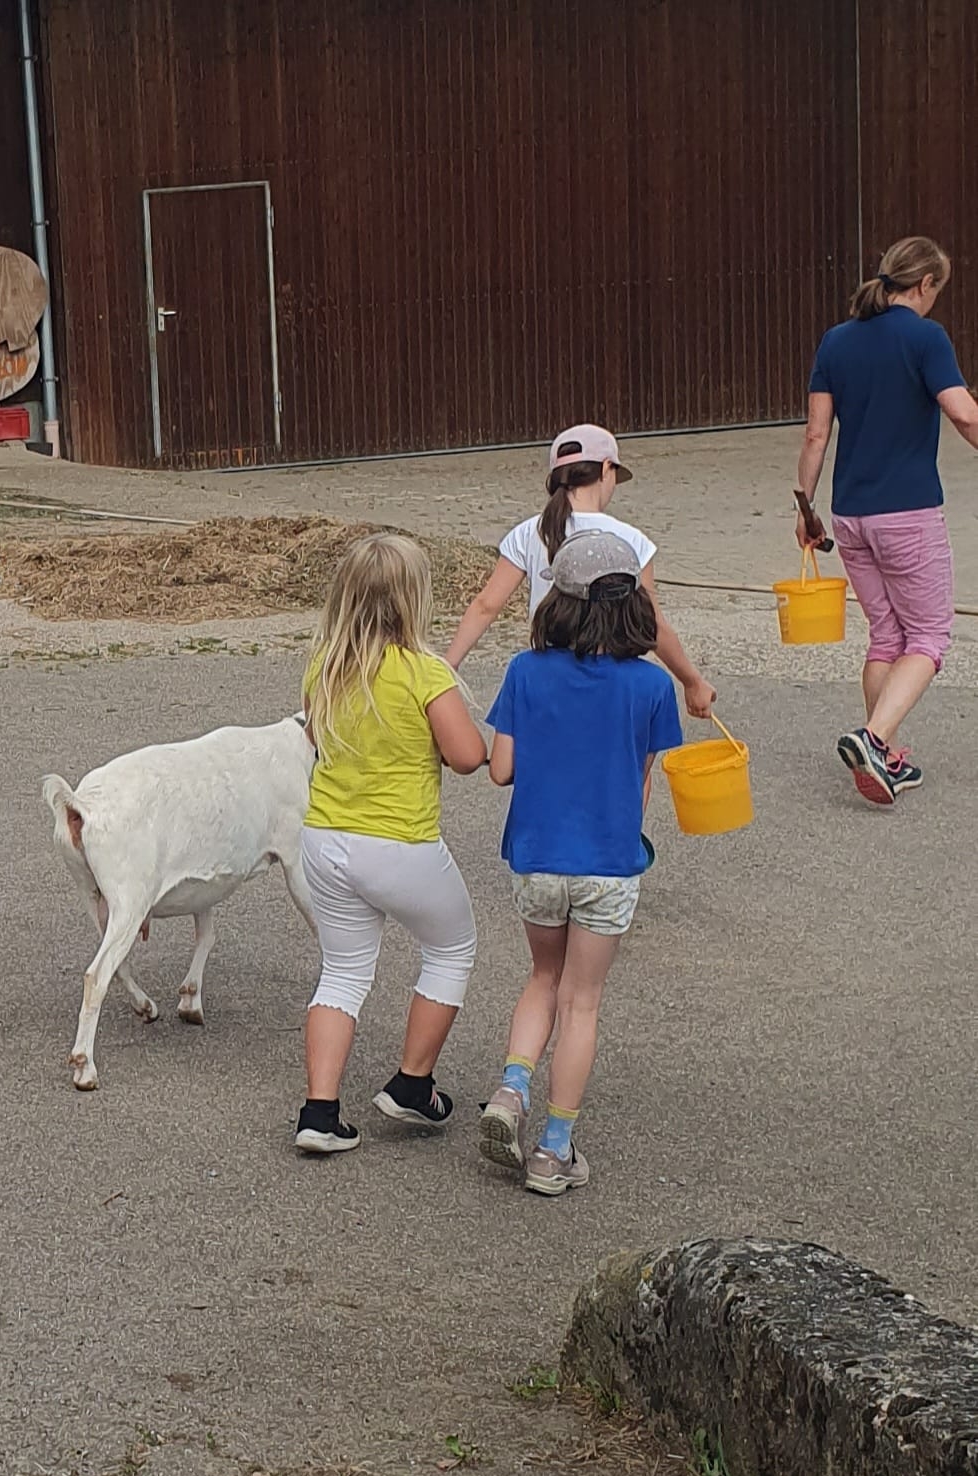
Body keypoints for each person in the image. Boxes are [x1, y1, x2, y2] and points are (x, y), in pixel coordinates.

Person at [479, 534, 682, 1197]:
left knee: (542, 975)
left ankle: (511, 1089)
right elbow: (641, 782)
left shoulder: (524, 672)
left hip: (537, 856)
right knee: (582, 1001)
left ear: (557, 603)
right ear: (633, 607)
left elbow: (501, 769)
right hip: (609, 861)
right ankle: (553, 1150)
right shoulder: (652, 686)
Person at [295, 534, 487, 1156]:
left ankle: (320, 1112)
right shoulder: (426, 673)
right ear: (415, 600)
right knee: (451, 947)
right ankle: (412, 1083)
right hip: (399, 844)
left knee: (343, 971)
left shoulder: (323, 664)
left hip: (324, 841)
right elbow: (467, 758)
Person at [797, 236, 978, 804]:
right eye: (937, 289)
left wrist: (805, 510)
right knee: (927, 636)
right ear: (925, 285)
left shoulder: (837, 341)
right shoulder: (927, 338)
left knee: (887, 637)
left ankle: (887, 761)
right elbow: (963, 413)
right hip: (908, 513)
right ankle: (873, 738)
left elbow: (816, 435)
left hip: (850, 516)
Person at [445, 424, 716, 720]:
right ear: (606, 469)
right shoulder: (632, 540)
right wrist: (692, 681)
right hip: (612, 680)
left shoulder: (528, 532)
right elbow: (654, 624)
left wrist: (448, 666)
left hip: (547, 675)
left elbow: (486, 606)